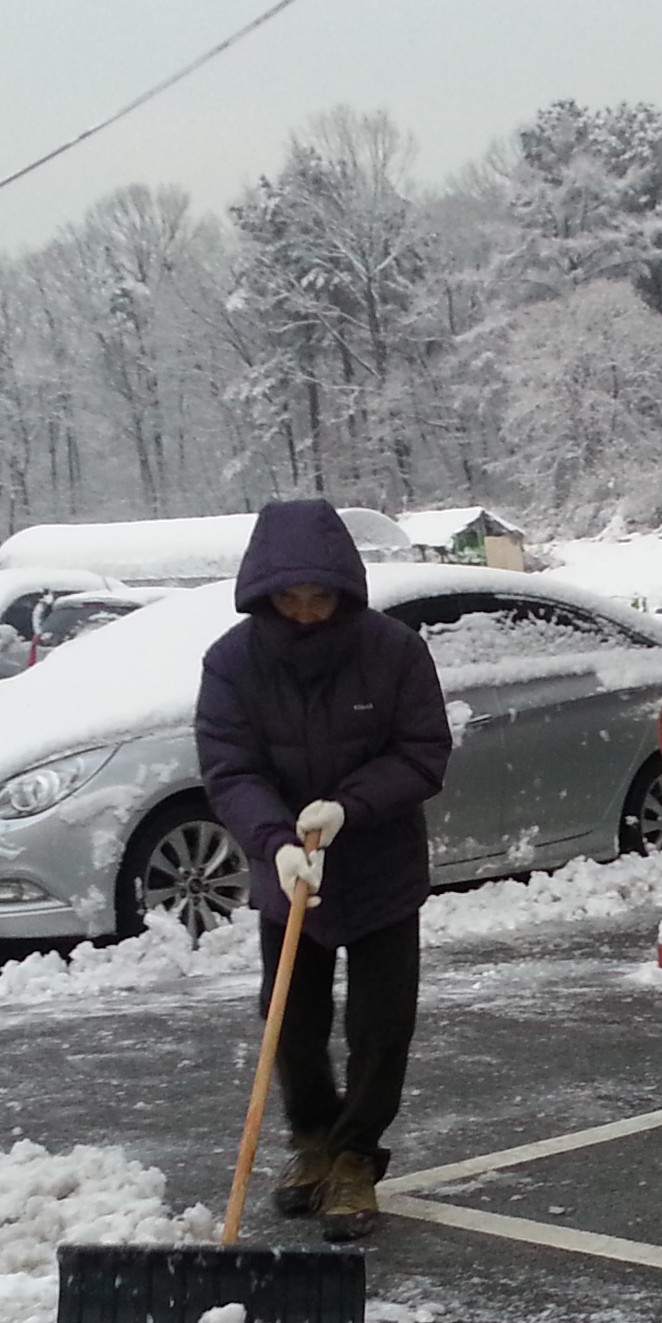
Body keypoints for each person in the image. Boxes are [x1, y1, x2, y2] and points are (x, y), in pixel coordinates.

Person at [195, 499, 450, 1240]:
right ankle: (310, 1142)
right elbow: (229, 766)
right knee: (292, 1025)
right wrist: (274, 841)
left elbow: (423, 753)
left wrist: (347, 807)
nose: (306, 614)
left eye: (320, 597)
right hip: (289, 876)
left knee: (381, 1026)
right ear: (262, 594)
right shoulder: (232, 662)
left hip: (379, 869)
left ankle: (354, 1159)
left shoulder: (394, 651)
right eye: (288, 598)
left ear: (345, 589)